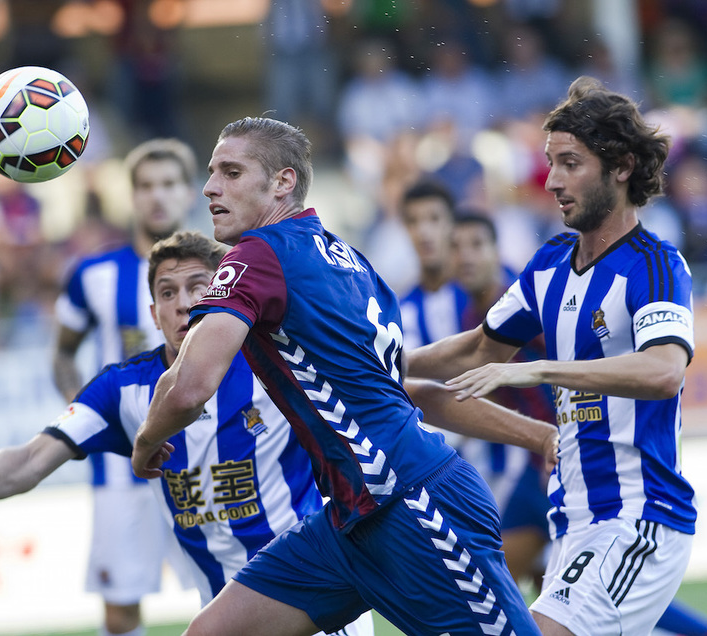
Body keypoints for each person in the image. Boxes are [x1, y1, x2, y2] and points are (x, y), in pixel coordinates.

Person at [130, 116, 558, 635]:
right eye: (212, 172)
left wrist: (147, 440)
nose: (210, 186)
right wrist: (540, 436)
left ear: (283, 182)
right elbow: (404, 391)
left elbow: (189, 386)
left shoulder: (256, 257)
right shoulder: (352, 262)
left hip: (412, 504)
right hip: (352, 518)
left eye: (231, 171)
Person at [0, 230, 374, 636]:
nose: (184, 303)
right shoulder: (123, 389)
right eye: (167, 292)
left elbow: (382, 390)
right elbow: (33, 458)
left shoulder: (277, 363)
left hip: (314, 596)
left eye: (199, 287)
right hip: (223, 611)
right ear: (154, 314)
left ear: (224, 295)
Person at [407, 76, 698, 635]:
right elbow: (479, 347)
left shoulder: (655, 265)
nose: (553, 180)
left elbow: (664, 370)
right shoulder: (551, 261)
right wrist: (385, 360)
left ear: (622, 167)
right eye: (550, 163)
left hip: (637, 517)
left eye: (571, 163)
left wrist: (538, 367)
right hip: (572, 520)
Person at [51, 138, 198, 636]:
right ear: (131, 196)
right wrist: (84, 414)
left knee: (230, 596)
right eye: (146, 186)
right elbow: (62, 354)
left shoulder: (222, 271)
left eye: (169, 184)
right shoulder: (92, 274)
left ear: (188, 192)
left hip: (207, 460)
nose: (157, 197)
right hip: (120, 468)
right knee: (119, 610)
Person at [398, 181, 554, 590]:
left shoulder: (512, 297)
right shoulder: (425, 308)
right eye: (413, 222)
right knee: (552, 592)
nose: (424, 232)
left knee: (491, 589)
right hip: (501, 461)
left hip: (530, 459)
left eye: (434, 220)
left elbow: (560, 364)